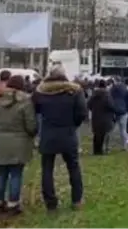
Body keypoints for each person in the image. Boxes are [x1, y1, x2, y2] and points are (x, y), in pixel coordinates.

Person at [32, 65, 87, 211]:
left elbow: (35, 110)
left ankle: (50, 202)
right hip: (68, 132)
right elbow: (82, 113)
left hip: (48, 133)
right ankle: (77, 199)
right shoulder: (75, 90)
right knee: (73, 167)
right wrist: (73, 124)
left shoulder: (40, 91)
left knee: (47, 169)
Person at [0, 75, 38, 215]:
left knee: (2, 173)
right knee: (16, 173)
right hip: (20, 140)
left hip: (2, 139)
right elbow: (30, 123)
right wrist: (33, 132)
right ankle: (13, 203)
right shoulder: (25, 101)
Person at [88, 80, 116, 155]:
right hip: (105, 117)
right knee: (104, 134)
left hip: (96, 117)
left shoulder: (94, 95)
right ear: (105, 86)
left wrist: (94, 109)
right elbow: (111, 106)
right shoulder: (107, 95)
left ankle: (96, 150)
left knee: (96, 135)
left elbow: (89, 105)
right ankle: (102, 150)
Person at [108, 77, 128, 151]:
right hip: (123, 111)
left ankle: (107, 146)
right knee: (123, 130)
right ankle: (125, 146)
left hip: (113, 111)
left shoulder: (111, 89)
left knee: (110, 130)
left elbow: (109, 100)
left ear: (114, 81)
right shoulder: (125, 89)